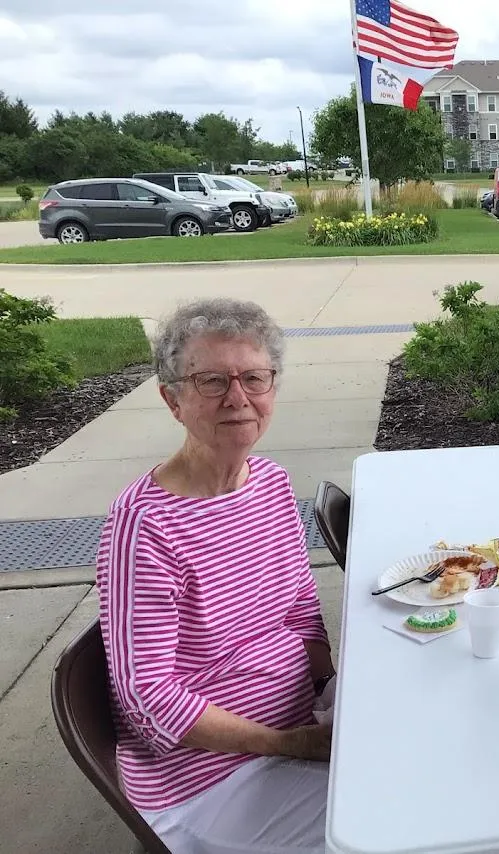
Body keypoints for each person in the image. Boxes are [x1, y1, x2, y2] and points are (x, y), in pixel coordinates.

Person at [96, 298, 335, 854]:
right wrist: (292, 743)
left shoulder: (270, 483)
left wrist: (329, 690)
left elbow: (300, 608)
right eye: (211, 381)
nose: (238, 398)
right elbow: (148, 696)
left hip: (299, 724)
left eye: (254, 377)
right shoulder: (145, 526)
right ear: (172, 400)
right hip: (210, 781)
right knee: (394, 827)